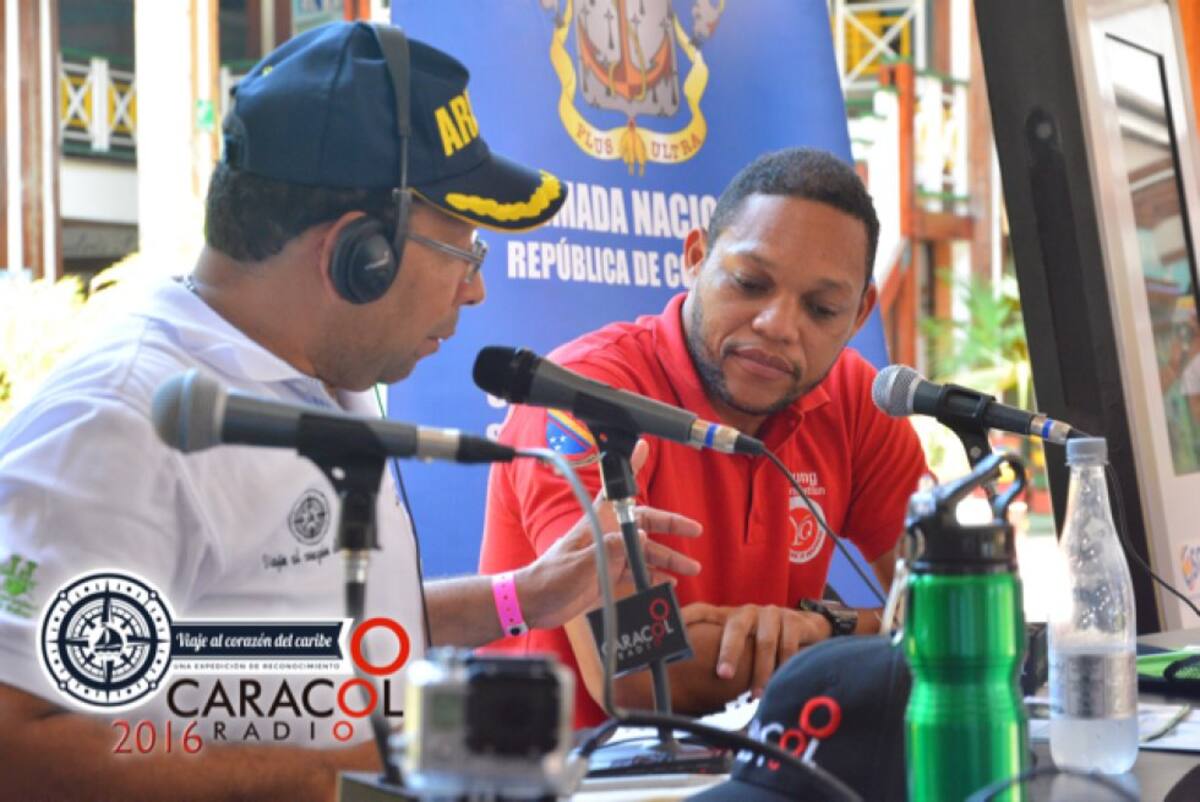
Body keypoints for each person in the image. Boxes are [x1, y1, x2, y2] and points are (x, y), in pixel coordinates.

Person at [0, 22, 701, 802]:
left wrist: (522, 597)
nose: (475, 290)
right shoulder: (118, 426)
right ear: (358, 255)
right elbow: (18, 740)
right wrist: (359, 773)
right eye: (464, 250)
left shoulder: (318, 378)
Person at [480, 147, 929, 728]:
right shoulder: (589, 395)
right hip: (563, 780)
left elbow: (950, 613)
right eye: (749, 283)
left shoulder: (855, 399)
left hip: (760, 769)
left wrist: (825, 624)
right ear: (695, 258)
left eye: (821, 309)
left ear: (861, 313)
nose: (777, 325)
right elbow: (636, 672)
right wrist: (865, 629)